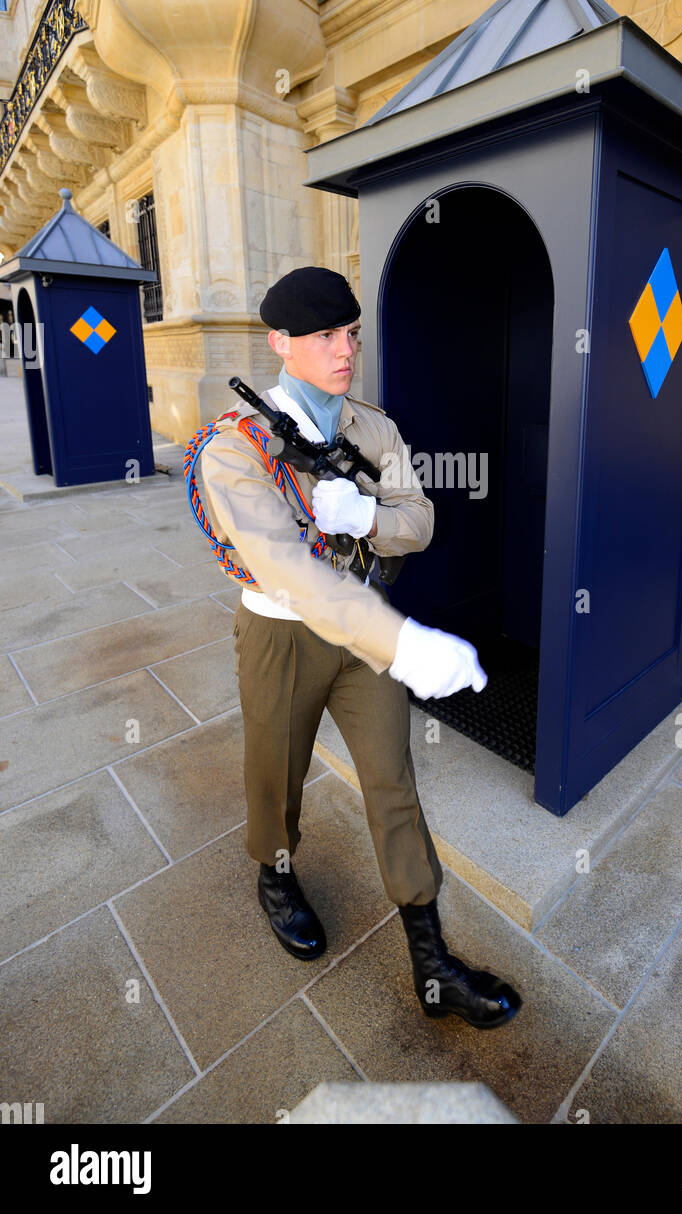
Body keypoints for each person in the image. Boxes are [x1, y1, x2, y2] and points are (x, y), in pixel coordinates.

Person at [198, 266, 521, 1030]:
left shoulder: (371, 428)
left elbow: (420, 518)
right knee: (275, 776)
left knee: (393, 783)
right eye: (324, 337)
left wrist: (366, 517)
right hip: (283, 633)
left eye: (350, 334)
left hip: (363, 632)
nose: (345, 350)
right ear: (281, 343)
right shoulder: (235, 447)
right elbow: (288, 572)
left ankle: (431, 960)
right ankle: (275, 875)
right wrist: (402, 640)